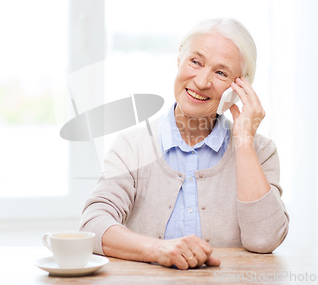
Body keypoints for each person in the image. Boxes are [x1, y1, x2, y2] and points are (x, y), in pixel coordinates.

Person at [80, 18, 289, 270]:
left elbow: (265, 240)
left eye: (220, 72)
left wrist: (244, 142)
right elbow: (93, 225)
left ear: (239, 86)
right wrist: (158, 250)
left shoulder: (261, 152)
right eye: (195, 62)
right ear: (179, 59)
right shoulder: (132, 147)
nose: (201, 82)